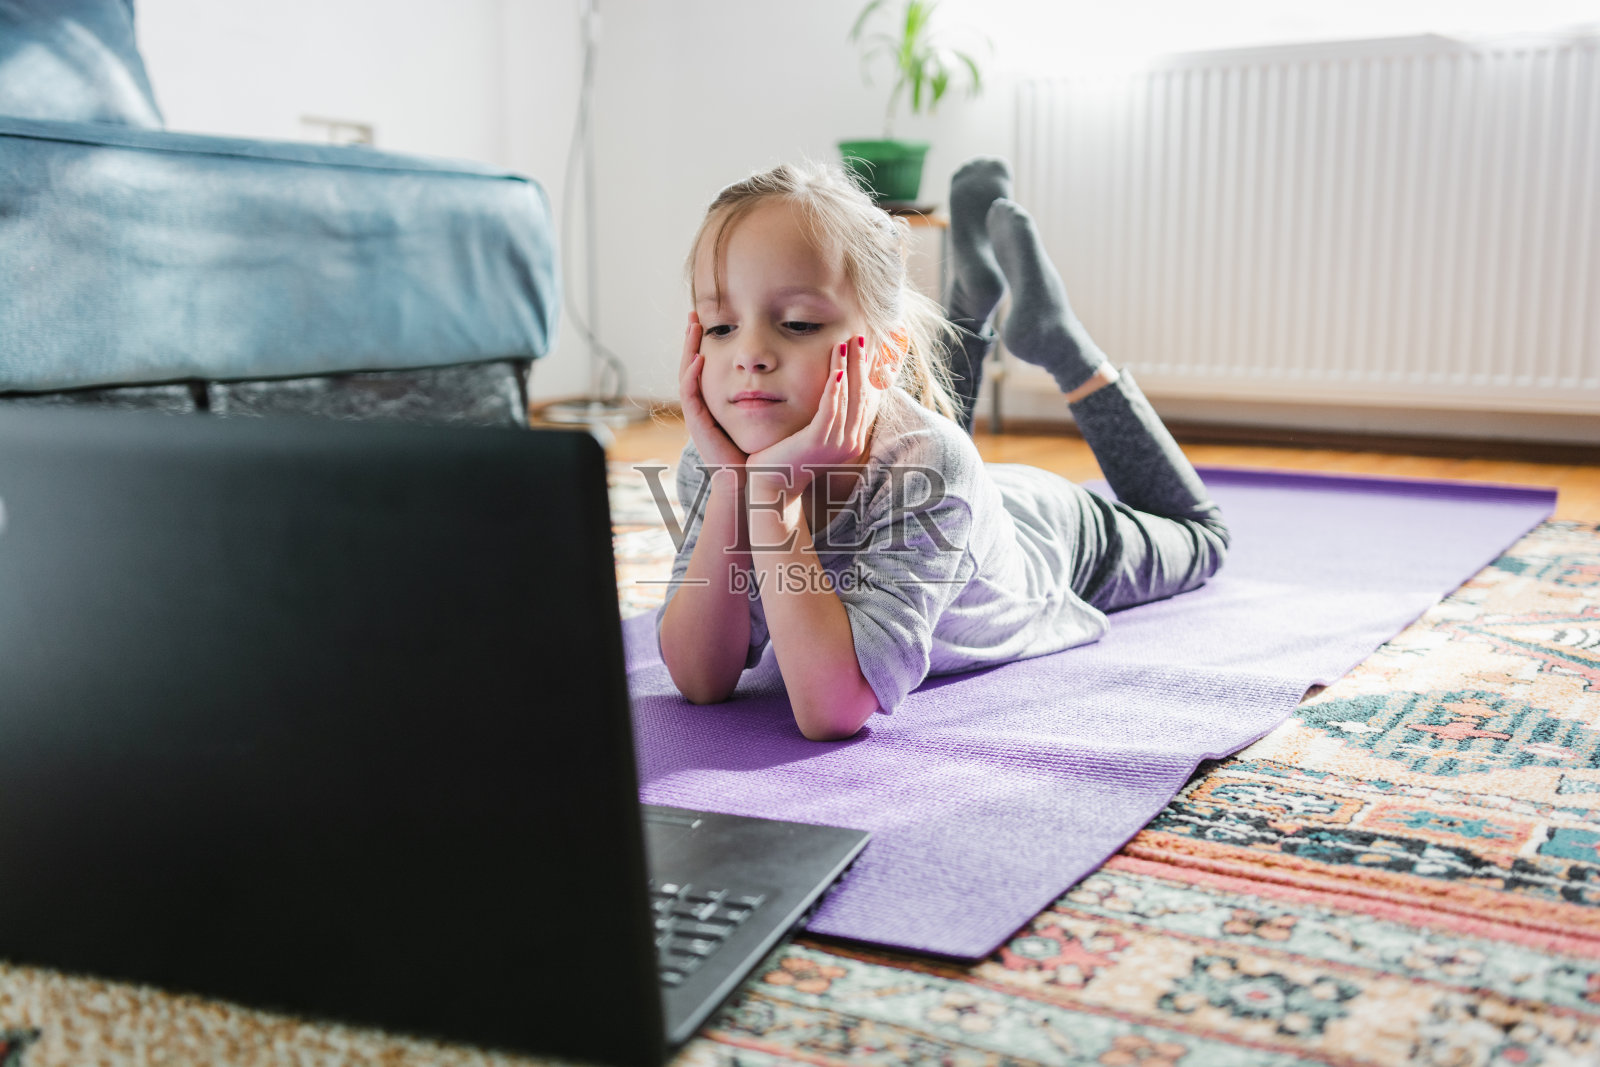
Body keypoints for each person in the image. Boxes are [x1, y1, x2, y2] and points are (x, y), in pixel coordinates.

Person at [656, 157, 1229, 741]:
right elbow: (701, 679)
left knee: (1203, 537)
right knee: (925, 451)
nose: (748, 353)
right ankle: (972, 301)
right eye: (720, 327)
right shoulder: (716, 462)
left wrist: (773, 497)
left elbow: (831, 708)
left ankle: (1062, 343)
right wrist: (737, 487)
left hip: (1050, 535)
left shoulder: (931, 463)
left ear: (882, 355)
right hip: (949, 506)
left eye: (799, 323)